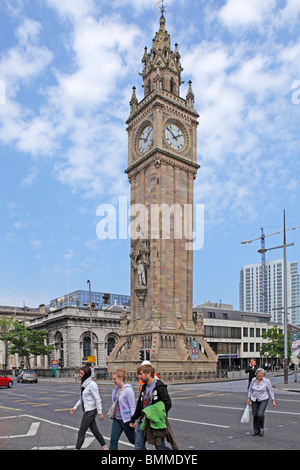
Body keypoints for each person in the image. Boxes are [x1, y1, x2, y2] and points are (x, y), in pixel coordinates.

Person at [130, 364, 176, 450]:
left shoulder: (159, 386)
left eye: (141, 374)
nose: (139, 377)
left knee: (160, 447)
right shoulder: (144, 387)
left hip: (155, 422)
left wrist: (159, 415)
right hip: (143, 421)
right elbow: (140, 405)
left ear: (148, 373)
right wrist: (133, 419)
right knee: (138, 447)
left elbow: (168, 403)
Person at [70, 365, 108, 450]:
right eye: (79, 373)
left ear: (86, 374)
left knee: (81, 432)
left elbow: (97, 399)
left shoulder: (92, 384)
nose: (79, 375)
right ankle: (105, 447)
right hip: (87, 410)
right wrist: (75, 407)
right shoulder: (84, 384)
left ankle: (77, 449)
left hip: (90, 411)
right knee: (95, 431)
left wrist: (100, 412)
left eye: (81, 373)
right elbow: (81, 398)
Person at [109, 368, 136, 450]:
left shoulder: (128, 390)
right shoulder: (115, 390)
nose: (113, 381)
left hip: (126, 420)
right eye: (112, 379)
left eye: (115, 379)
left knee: (134, 441)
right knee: (113, 441)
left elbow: (132, 406)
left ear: (121, 378)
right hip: (117, 419)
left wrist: (133, 420)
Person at [247, 367, 276, 437]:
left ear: (264, 374)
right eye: (259, 373)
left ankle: (261, 428)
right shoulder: (253, 380)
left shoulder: (266, 381)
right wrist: (249, 398)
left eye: (261, 373)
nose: (260, 374)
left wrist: (273, 400)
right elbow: (250, 390)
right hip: (254, 399)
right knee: (255, 414)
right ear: (256, 374)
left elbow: (270, 391)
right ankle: (256, 430)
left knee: (260, 414)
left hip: (263, 399)